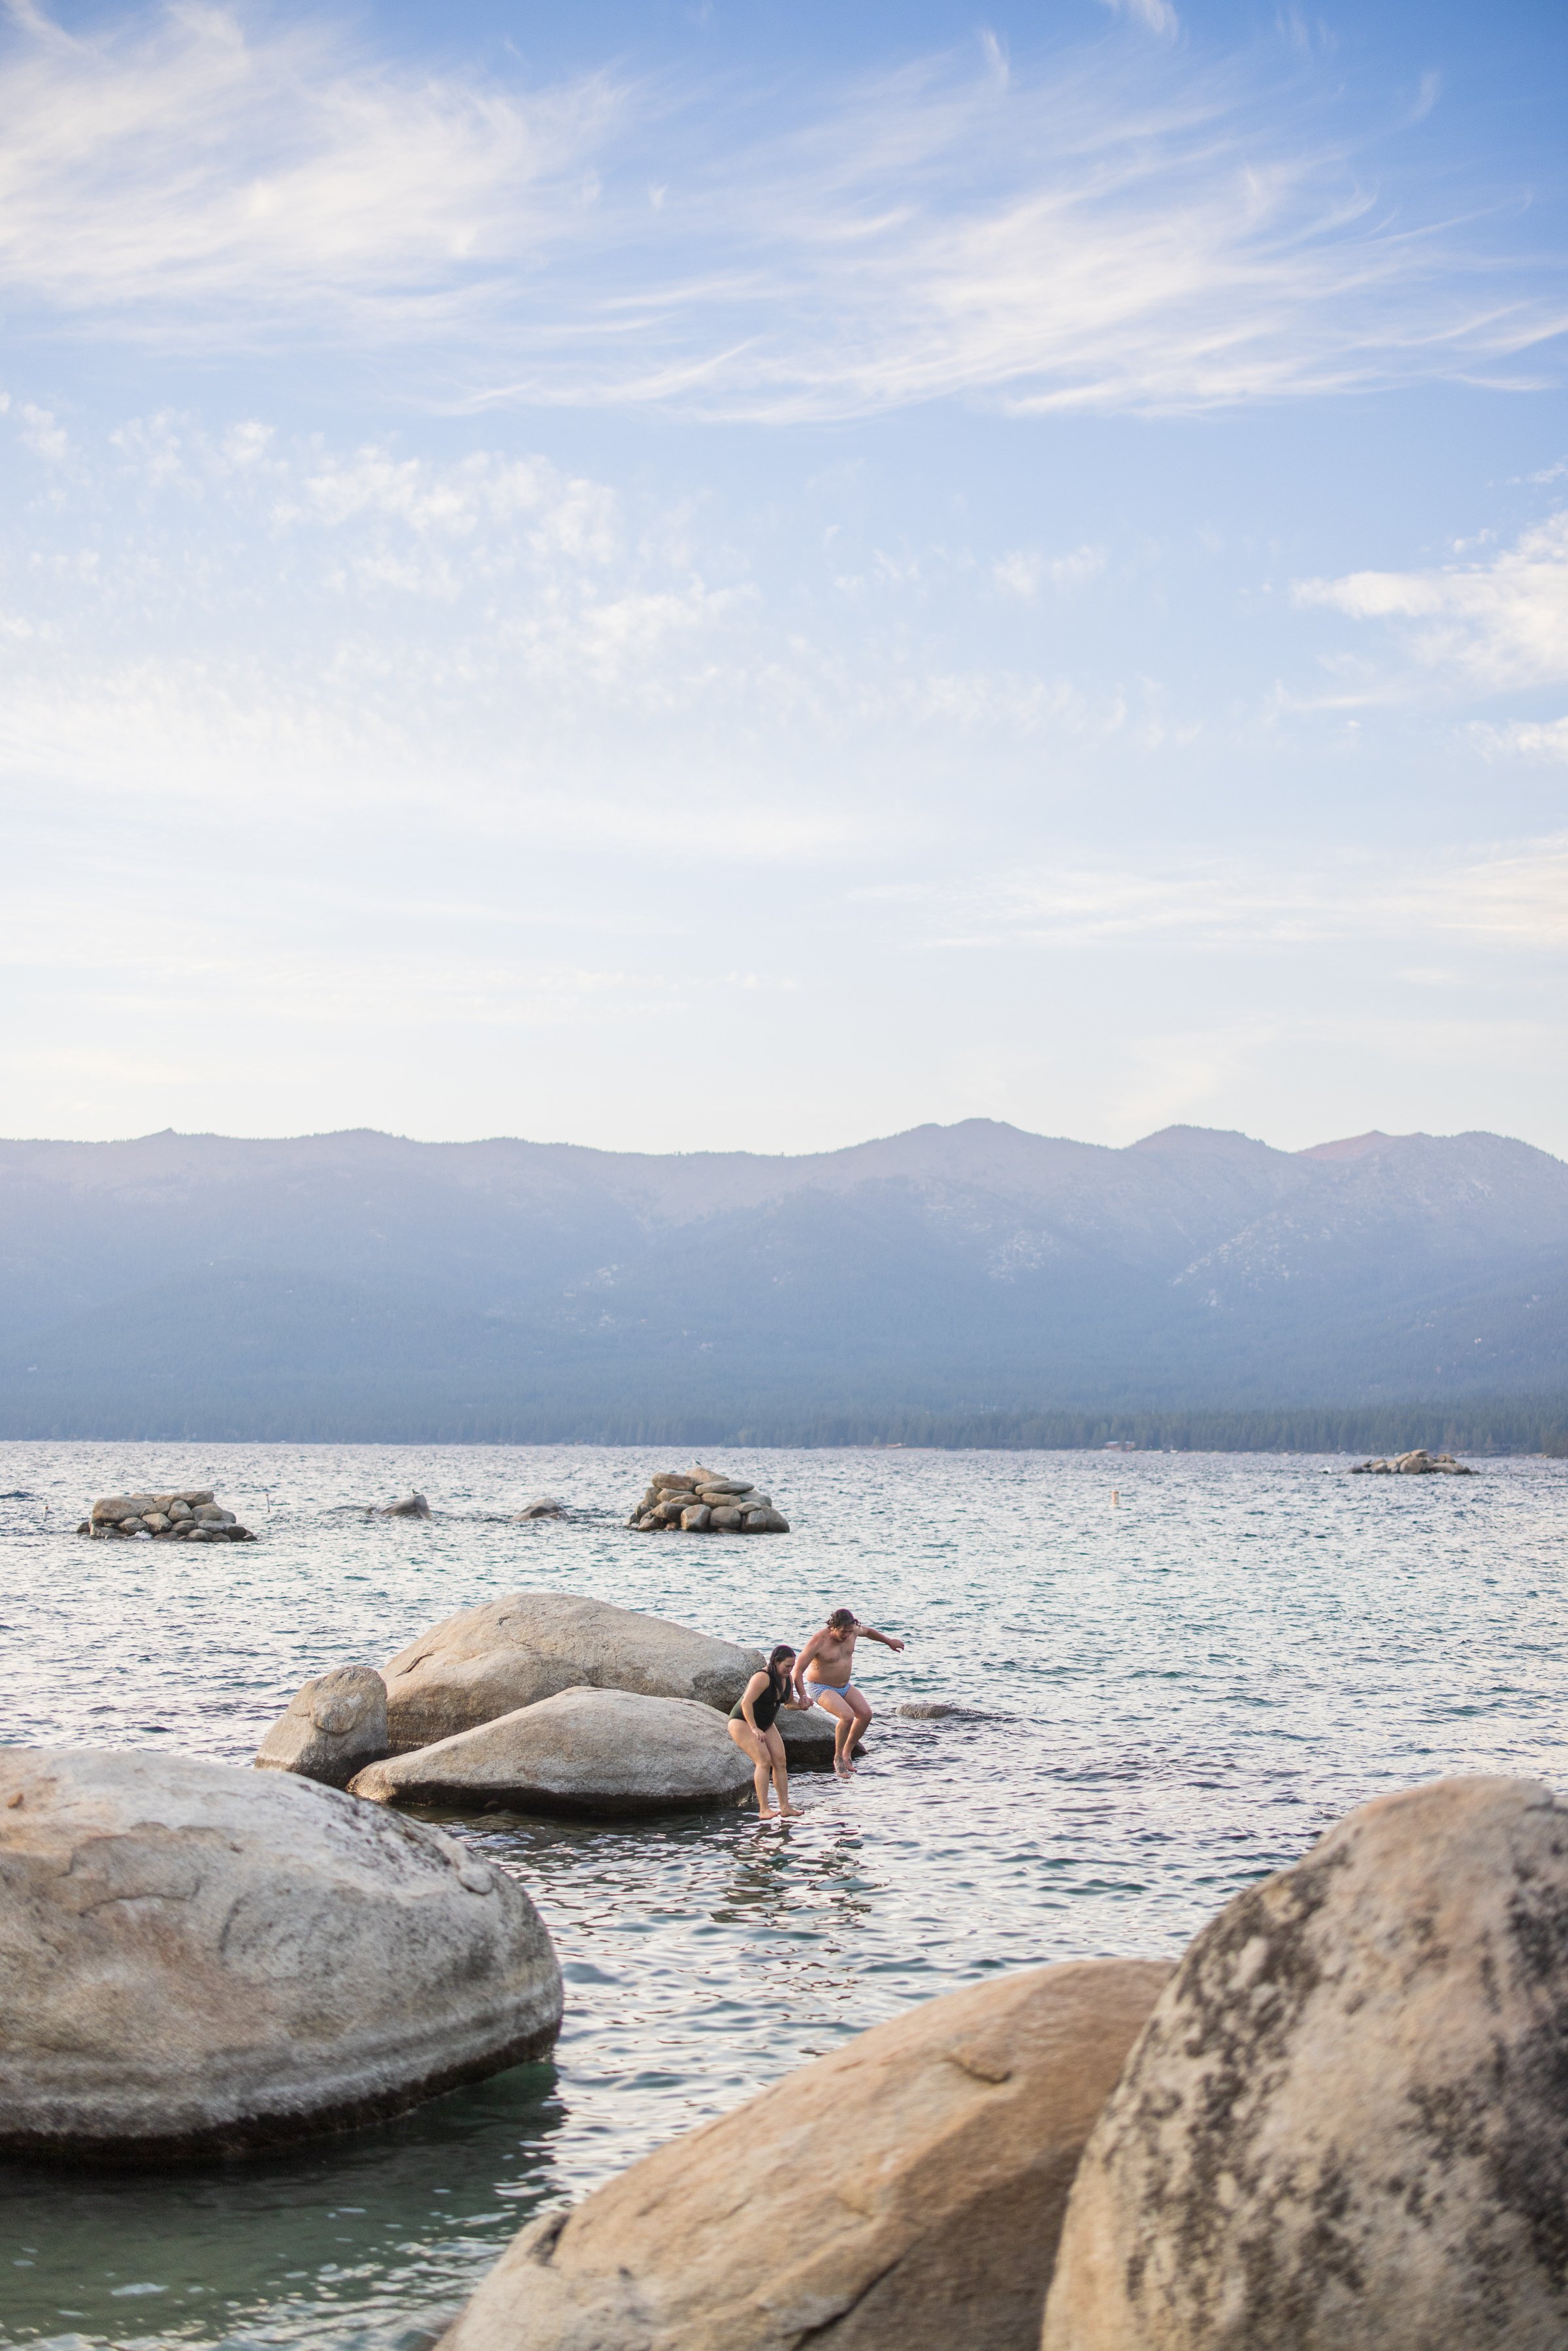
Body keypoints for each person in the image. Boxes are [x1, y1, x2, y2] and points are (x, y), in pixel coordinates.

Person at [794, 1607, 906, 1776]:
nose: (846, 1636)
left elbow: (868, 1633)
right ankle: (838, 1758)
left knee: (866, 1714)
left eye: (849, 1632)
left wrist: (889, 1641)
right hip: (820, 1687)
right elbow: (797, 1671)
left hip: (844, 1686)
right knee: (847, 1716)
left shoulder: (852, 1631)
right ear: (833, 1626)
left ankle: (847, 1753)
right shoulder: (818, 1641)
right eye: (843, 1632)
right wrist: (803, 1695)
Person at [728, 1644, 805, 1823]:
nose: (790, 1669)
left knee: (781, 1761)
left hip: (766, 1723)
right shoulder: (763, 1677)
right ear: (776, 1662)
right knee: (764, 1761)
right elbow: (746, 1703)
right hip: (742, 1721)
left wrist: (801, 1705)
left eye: (792, 1666)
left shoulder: (787, 1679)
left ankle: (785, 1808)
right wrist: (754, 1728)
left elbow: (788, 1703)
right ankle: (764, 1809)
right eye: (787, 1666)